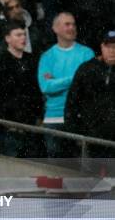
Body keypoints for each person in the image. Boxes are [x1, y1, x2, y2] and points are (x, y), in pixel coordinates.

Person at [0, 21, 43, 157]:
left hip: (27, 121)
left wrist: (36, 113)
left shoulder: (31, 61)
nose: (23, 38)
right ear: (8, 38)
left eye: (24, 35)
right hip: (7, 122)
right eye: (18, 35)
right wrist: (4, 118)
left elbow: (34, 90)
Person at [38, 13, 94, 157]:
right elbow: (46, 87)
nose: (72, 27)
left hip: (78, 117)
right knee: (55, 170)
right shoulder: (47, 56)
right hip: (53, 118)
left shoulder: (86, 53)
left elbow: (87, 86)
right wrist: (76, 77)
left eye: (73, 24)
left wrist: (57, 81)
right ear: (55, 28)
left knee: (80, 170)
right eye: (67, 24)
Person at [65, 29, 115, 157]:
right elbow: (72, 103)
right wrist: (75, 134)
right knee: (89, 175)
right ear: (102, 46)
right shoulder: (86, 69)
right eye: (108, 46)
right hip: (89, 137)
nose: (112, 50)